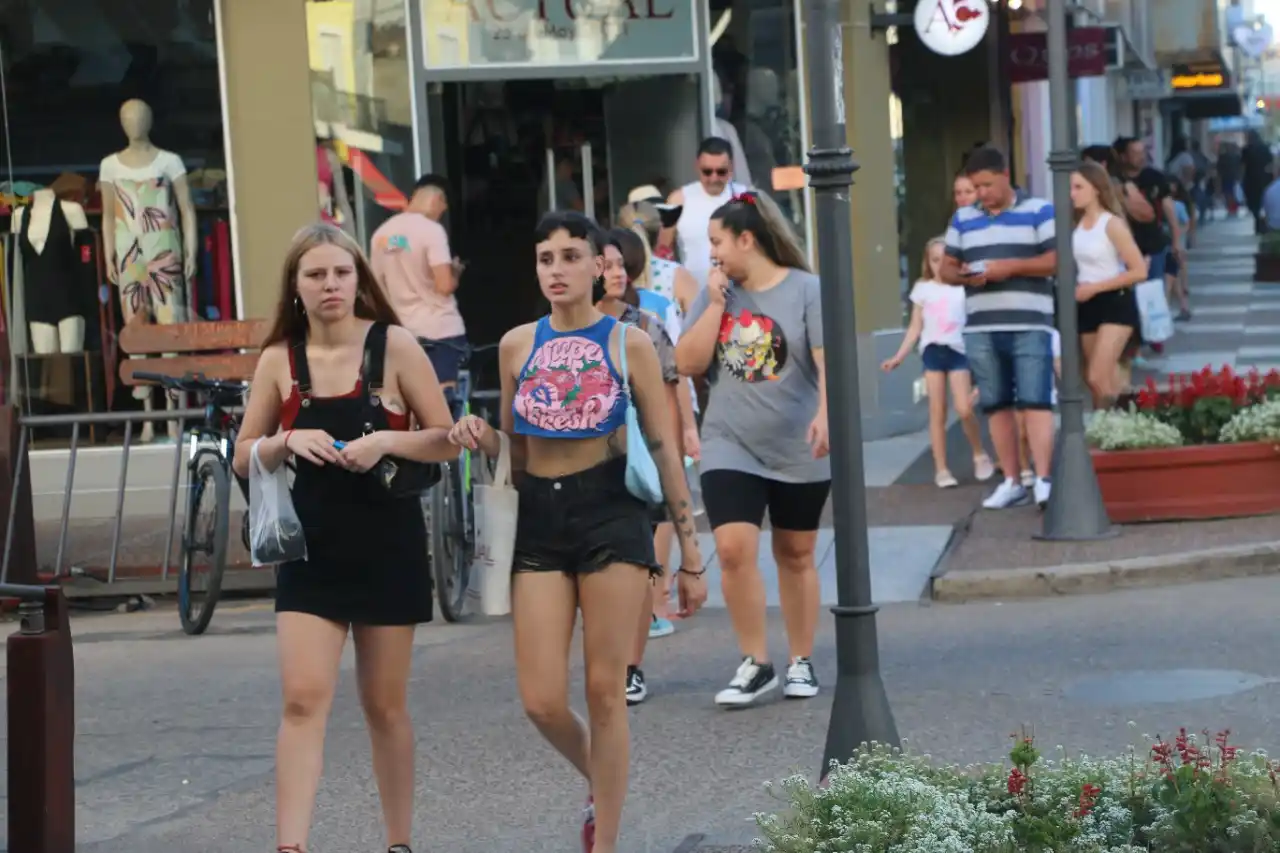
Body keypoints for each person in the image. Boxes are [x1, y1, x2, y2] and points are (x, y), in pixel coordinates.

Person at [448, 210, 706, 853]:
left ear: (600, 266)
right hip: (538, 515)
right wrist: (484, 438)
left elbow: (664, 447)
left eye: (570, 256)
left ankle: (607, 840)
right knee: (539, 699)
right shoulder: (515, 344)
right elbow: (519, 449)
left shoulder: (630, 343)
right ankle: (603, 777)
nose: (556, 270)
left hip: (610, 509)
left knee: (603, 687)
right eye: (545, 258)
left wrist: (691, 555)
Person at [233, 223, 458, 853]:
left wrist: (385, 438)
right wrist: (282, 441)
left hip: (388, 542)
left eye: (340, 272)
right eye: (315, 275)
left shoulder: (396, 347)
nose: (329, 285)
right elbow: (242, 455)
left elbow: (445, 438)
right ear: (296, 287)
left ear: (360, 280)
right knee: (303, 701)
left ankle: (398, 842)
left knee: (384, 706)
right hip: (311, 548)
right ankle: (291, 846)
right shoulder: (280, 358)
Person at [676, 190, 829, 708]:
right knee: (736, 549)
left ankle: (801, 660)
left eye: (718, 241)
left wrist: (828, 414)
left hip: (796, 443)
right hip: (729, 442)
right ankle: (755, 661)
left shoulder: (808, 289)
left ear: (747, 239)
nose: (712, 253)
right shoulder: (717, 293)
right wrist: (716, 304)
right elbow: (688, 362)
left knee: (796, 553)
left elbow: (827, 362)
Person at [595, 227, 686, 703]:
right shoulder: (568, 329)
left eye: (618, 265)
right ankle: (607, 661)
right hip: (588, 463)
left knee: (636, 567)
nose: (614, 273)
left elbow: (670, 393)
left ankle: (631, 666)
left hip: (637, 461)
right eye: (604, 265)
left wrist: (670, 449)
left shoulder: (646, 325)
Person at [941, 146, 1057, 510]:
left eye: (987, 185)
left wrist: (1009, 269)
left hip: (1028, 321)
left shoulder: (1040, 210)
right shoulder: (963, 218)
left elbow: (1055, 261)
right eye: (975, 187)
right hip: (981, 327)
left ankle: (1044, 478)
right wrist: (963, 276)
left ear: (1005, 176)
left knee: (1036, 401)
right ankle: (1011, 480)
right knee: (996, 406)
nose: (981, 194)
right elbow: (945, 267)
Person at [882, 237, 994, 488]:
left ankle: (978, 452)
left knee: (964, 409)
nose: (939, 265)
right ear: (927, 262)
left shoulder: (963, 288)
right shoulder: (923, 288)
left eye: (945, 260)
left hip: (958, 351)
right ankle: (941, 468)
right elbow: (915, 327)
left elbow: (976, 322)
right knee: (937, 411)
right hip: (933, 350)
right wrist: (898, 356)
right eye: (934, 260)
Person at [369, 174, 468, 394]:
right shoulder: (432, 231)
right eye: (443, 207)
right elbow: (444, 286)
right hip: (440, 333)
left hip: (403, 334)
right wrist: (455, 273)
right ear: (438, 200)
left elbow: (376, 289)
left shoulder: (381, 235)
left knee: (410, 404)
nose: (441, 214)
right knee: (445, 405)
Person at [1070, 162, 1146, 409]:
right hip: (1087, 303)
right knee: (1097, 383)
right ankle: (1111, 435)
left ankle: (1123, 424)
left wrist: (1095, 287)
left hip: (1115, 301)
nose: (1072, 193)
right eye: (1071, 187)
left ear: (1096, 189)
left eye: (1078, 187)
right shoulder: (1076, 225)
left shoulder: (1111, 224)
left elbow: (1139, 271)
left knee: (1098, 377)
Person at [657, 137, 749, 288]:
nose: (714, 178)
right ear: (697, 166)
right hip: (693, 296)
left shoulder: (744, 197)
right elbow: (663, 251)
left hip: (739, 292)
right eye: (707, 171)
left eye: (721, 172)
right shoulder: (678, 199)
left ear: (731, 168)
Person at [1242, 130, 1273, 235]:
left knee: (1254, 204)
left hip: (1251, 180)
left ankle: (1258, 223)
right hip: (1265, 179)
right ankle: (1263, 224)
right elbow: (1270, 164)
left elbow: (1243, 165)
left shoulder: (1247, 150)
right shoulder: (1265, 148)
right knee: (1264, 202)